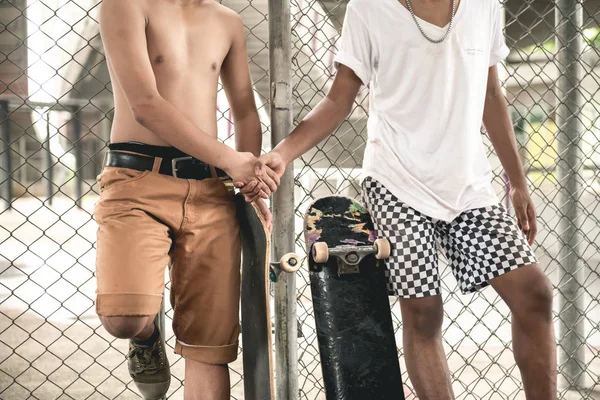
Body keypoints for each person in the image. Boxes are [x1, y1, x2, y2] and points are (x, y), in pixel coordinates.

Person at [244, 0, 557, 398]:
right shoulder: (370, 9)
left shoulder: (484, 7)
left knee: (534, 293)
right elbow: (339, 98)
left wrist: (518, 180)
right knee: (423, 310)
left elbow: (490, 92)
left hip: (468, 186)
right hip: (396, 183)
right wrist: (283, 153)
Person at [96, 0, 279, 398]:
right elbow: (145, 105)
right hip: (137, 180)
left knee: (209, 346)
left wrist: (245, 186)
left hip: (213, 190)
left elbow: (246, 112)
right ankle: (146, 336)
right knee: (124, 319)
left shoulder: (228, 21)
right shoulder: (125, 5)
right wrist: (232, 159)